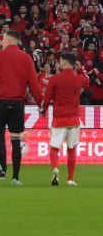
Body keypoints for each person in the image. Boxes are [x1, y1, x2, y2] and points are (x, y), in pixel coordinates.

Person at [0, 30, 43, 185]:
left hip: (0, 102)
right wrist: (41, 105)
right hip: (18, 104)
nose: (2, 43)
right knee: (16, 139)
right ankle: (15, 178)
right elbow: (34, 85)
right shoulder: (26, 58)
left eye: (3, 40)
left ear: (9, 41)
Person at [41, 52, 89, 186]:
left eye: (60, 61)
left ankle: (55, 169)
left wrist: (43, 110)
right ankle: (70, 179)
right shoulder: (78, 78)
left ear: (64, 63)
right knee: (71, 148)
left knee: (55, 147)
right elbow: (87, 81)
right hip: (73, 119)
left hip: (59, 119)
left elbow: (47, 98)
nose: (58, 63)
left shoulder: (55, 79)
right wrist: (79, 68)